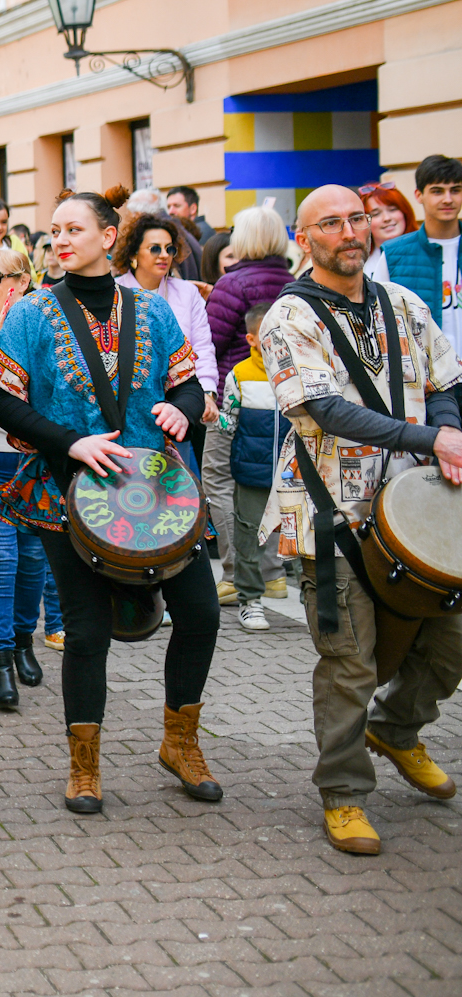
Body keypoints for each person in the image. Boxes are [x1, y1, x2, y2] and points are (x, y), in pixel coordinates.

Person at [0, 189, 219, 818]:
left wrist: (183, 408)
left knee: (200, 614)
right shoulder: (31, 315)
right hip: (67, 493)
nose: (59, 239)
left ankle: (180, 743)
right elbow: (3, 400)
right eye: (53, 231)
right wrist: (71, 442)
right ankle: (83, 768)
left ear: (109, 237)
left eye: (73, 229)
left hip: (160, 492)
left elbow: (188, 385)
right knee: (87, 632)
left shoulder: (154, 309)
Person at [257, 183, 462, 857]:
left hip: (413, 506)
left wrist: (450, 433)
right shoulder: (289, 316)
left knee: (452, 636)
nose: (350, 231)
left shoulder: (401, 302)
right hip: (328, 511)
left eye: (357, 219)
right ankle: (344, 793)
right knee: (350, 661)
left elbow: (444, 382)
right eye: (331, 223)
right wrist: (432, 439)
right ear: (306, 238)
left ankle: (397, 728)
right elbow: (324, 410)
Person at [0, 248, 62, 709]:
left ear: (22, 280)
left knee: (32, 562)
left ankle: (24, 640)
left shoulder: (46, 323)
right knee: (0, 559)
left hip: (33, 464)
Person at [210, 305, 292, 630]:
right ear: (252, 339)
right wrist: (215, 418)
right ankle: (250, 600)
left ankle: (314, 597)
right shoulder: (240, 375)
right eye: (270, 334)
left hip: (293, 472)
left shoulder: (298, 370)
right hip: (252, 470)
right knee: (248, 537)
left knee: (301, 534)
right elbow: (227, 423)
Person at [365, 154, 462, 358]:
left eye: (456, 190)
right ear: (419, 195)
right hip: (427, 381)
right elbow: (376, 321)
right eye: (437, 191)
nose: (448, 199)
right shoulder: (393, 255)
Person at [116, 212, 219, 398]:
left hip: (183, 397)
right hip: (129, 401)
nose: (164, 255)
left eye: (169, 249)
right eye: (155, 249)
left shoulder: (187, 292)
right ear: (133, 253)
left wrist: (207, 391)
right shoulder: (115, 292)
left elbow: (202, 347)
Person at [205, 206, 296, 381]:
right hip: (283, 385)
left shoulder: (232, 284)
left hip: (239, 389)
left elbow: (210, 346)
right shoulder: (292, 281)